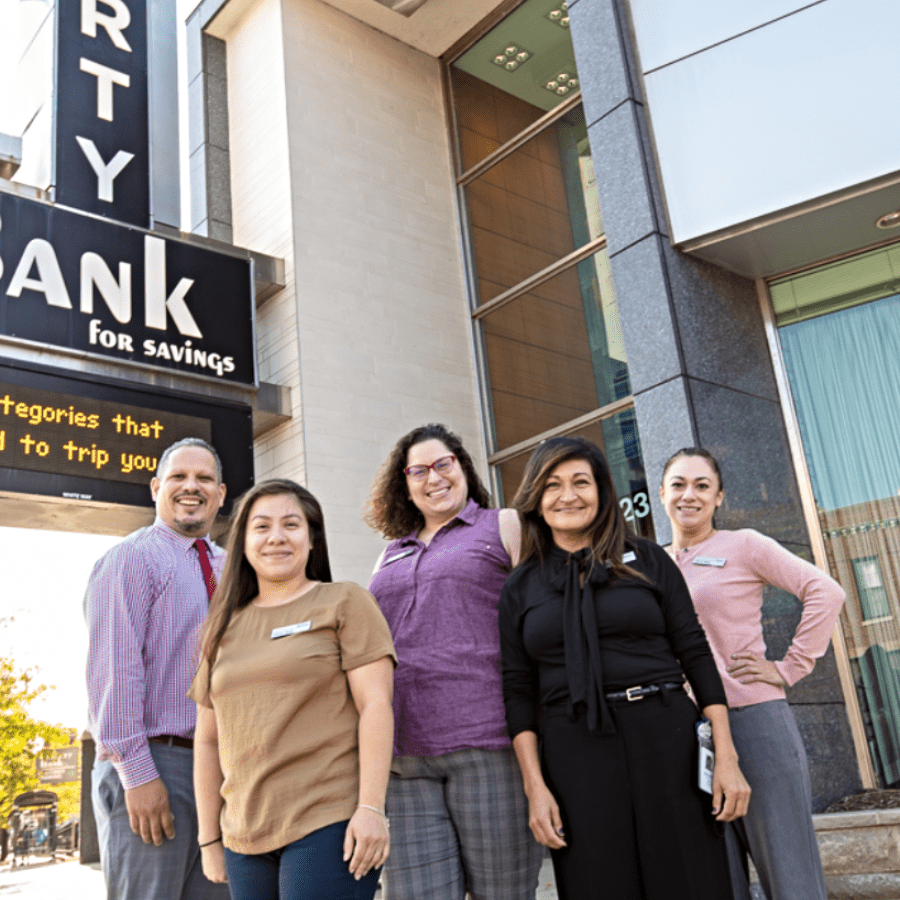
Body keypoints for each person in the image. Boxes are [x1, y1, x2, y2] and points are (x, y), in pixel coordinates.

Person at [499, 436, 750, 900]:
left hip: (665, 737)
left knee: (692, 881)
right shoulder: (520, 586)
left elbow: (694, 653)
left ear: (603, 492)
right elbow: (517, 691)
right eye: (552, 484)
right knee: (600, 884)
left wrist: (727, 758)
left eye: (581, 482)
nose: (568, 495)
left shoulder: (649, 559)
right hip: (574, 751)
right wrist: (535, 788)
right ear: (536, 497)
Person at [191, 479, 396, 900]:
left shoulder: (344, 602)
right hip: (243, 835)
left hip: (328, 819)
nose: (277, 537)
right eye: (261, 527)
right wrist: (209, 838)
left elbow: (376, 705)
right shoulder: (221, 628)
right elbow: (208, 740)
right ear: (244, 542)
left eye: (291, 524)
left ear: (312, 537)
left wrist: (371, 808)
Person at [365, 423, 544, 900]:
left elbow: (544, 620)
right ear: (404, 485)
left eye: (443, 464)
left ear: (463, 467)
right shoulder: (390, 554)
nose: (433, 478)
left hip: (487, 743)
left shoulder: (502, 524)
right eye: (418, 470)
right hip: (404, 757)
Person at [659, 447, 845, 900]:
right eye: (679, 485)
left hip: (754, 720)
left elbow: (826, 591)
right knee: (716, 880)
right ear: (661, 493)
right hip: (687, 731)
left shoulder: (742, 545)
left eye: (702, 486)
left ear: (719, 497)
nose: (690, 495)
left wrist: (789, 667)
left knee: (789, 875)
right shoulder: (652, 564)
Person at [84, 437, 229, 900]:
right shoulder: (130, 559)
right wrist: (138, 775)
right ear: (155, 488)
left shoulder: (233, 568)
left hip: (224, 773)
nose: (192, 487)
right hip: (157, 762)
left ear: (221, 493)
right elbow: (114, 672)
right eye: (178, 477)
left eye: (204, 478)